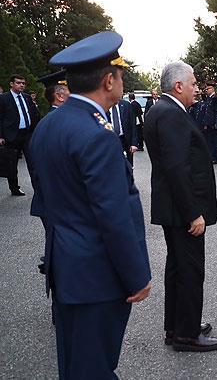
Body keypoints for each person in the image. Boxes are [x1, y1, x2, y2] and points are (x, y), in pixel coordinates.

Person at [30, 30, 152, 379]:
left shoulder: (50, 124)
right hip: (96, 277)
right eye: (121, 74)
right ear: (107, 80)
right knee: (93, 368)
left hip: (68, 270)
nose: (123, 80)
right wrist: (136, 276)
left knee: (76, 364)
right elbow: (112, 216)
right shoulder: (96, 134)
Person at [144, 61, 217, 352]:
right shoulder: (172, 114)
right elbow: (177, 168)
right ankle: (187, 334)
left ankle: (176, 326)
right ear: (178, 86)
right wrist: (193, 213)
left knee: (178, 267)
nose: (196, 89)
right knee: (190, 270)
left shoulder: (163, 110)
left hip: (173, 206)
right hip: (183, 210)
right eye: (193, 84)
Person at [0, 74, 41, 196]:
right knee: (11, 164)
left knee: (33, 162)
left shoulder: (27, 97)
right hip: (12, 136)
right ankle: (14, 188)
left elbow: (34, 115)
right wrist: (1, 136)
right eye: (18, 83)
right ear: (11, 84)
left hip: (28, 134)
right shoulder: (3, 98)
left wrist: (36, 131)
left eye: (23, 83)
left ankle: (38, 189)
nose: (21, 85)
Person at [107, 97, 138, 166]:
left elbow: (132, 124)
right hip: (111, 139)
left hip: (125, 139)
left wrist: (134, 143)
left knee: (128, 164)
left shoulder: (126, 105)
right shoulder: (104, 105)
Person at [200, 82, 217, 163]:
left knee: (215, 141)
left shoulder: (215, 98)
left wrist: (216, 122)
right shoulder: (209, 98)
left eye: (207, 89)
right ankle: (212, 156)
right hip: (209, 123)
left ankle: (216, 158)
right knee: (210, 141)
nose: (206, 90)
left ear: (212, 89)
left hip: (213, 123)